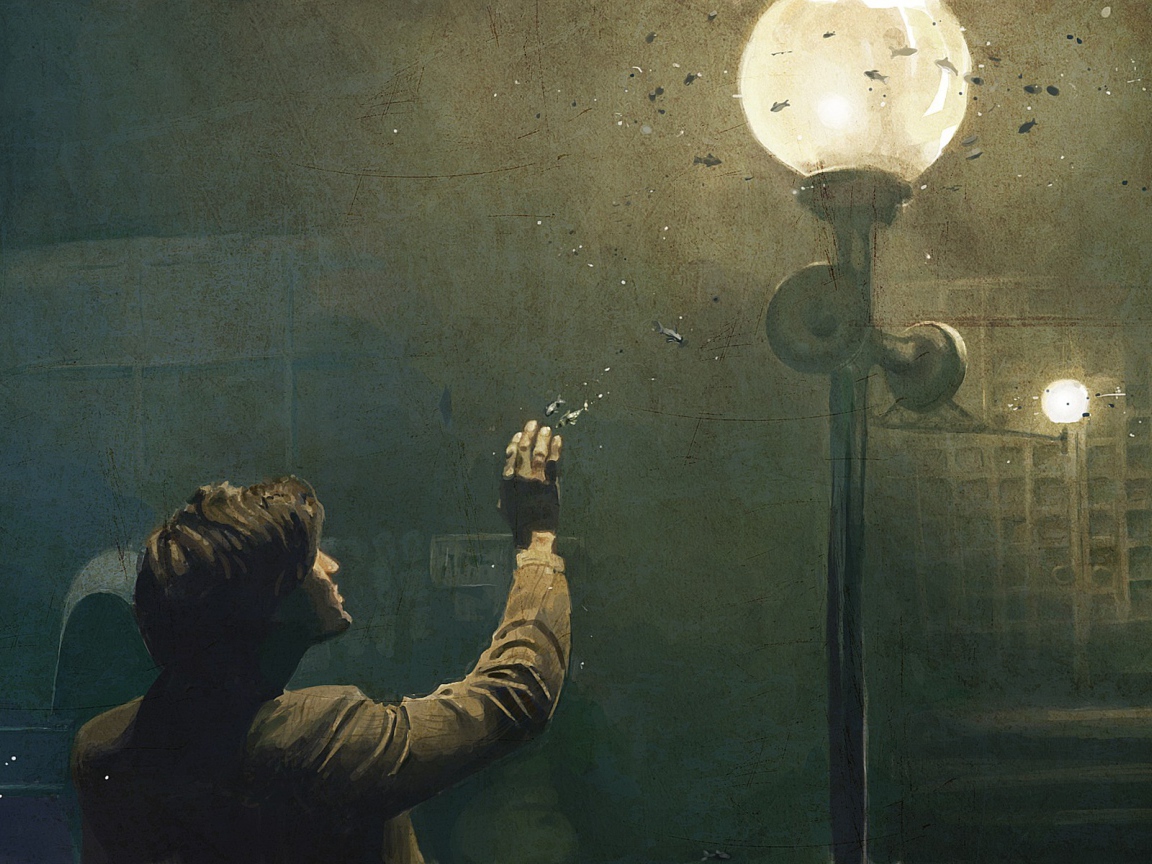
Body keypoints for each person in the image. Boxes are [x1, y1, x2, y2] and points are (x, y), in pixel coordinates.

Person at [71, 420, 569, 863]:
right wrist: (537, 541)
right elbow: (515, 694)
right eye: (310, 557)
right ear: (272, 601)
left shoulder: (101, 746)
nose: (331, 566)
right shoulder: (322, 742)